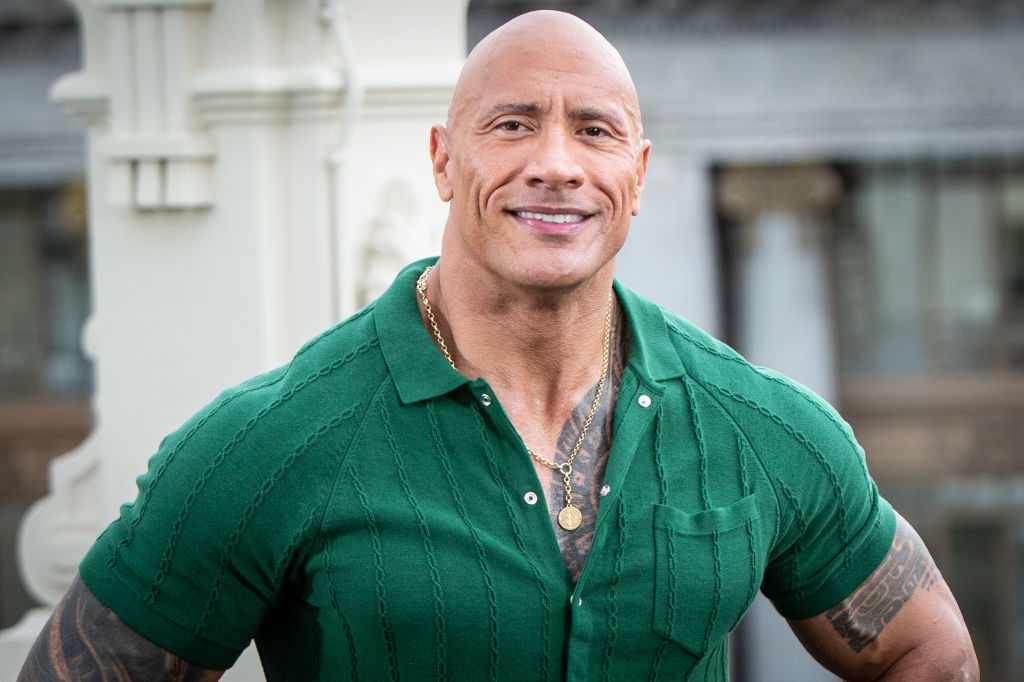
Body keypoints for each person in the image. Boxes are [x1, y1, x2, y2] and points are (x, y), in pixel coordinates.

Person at [20, 10, 977, 681]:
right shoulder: (268, 443)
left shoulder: (762, 427)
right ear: (444, 159)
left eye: (593, 131)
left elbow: (925, 651)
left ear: (636, 176)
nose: (555, 164)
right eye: (513, 124)